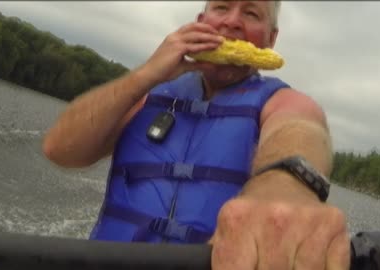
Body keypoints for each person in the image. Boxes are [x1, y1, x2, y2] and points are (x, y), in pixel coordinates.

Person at [42, 1, 350, 270]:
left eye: (252, 13)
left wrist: (284, 189)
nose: (232, 21)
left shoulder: (282, 102)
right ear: (201, 22)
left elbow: (299, 130)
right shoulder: (146, 94)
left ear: (271, 39)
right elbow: (61, 149)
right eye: (221, 7)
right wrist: (147, 73)